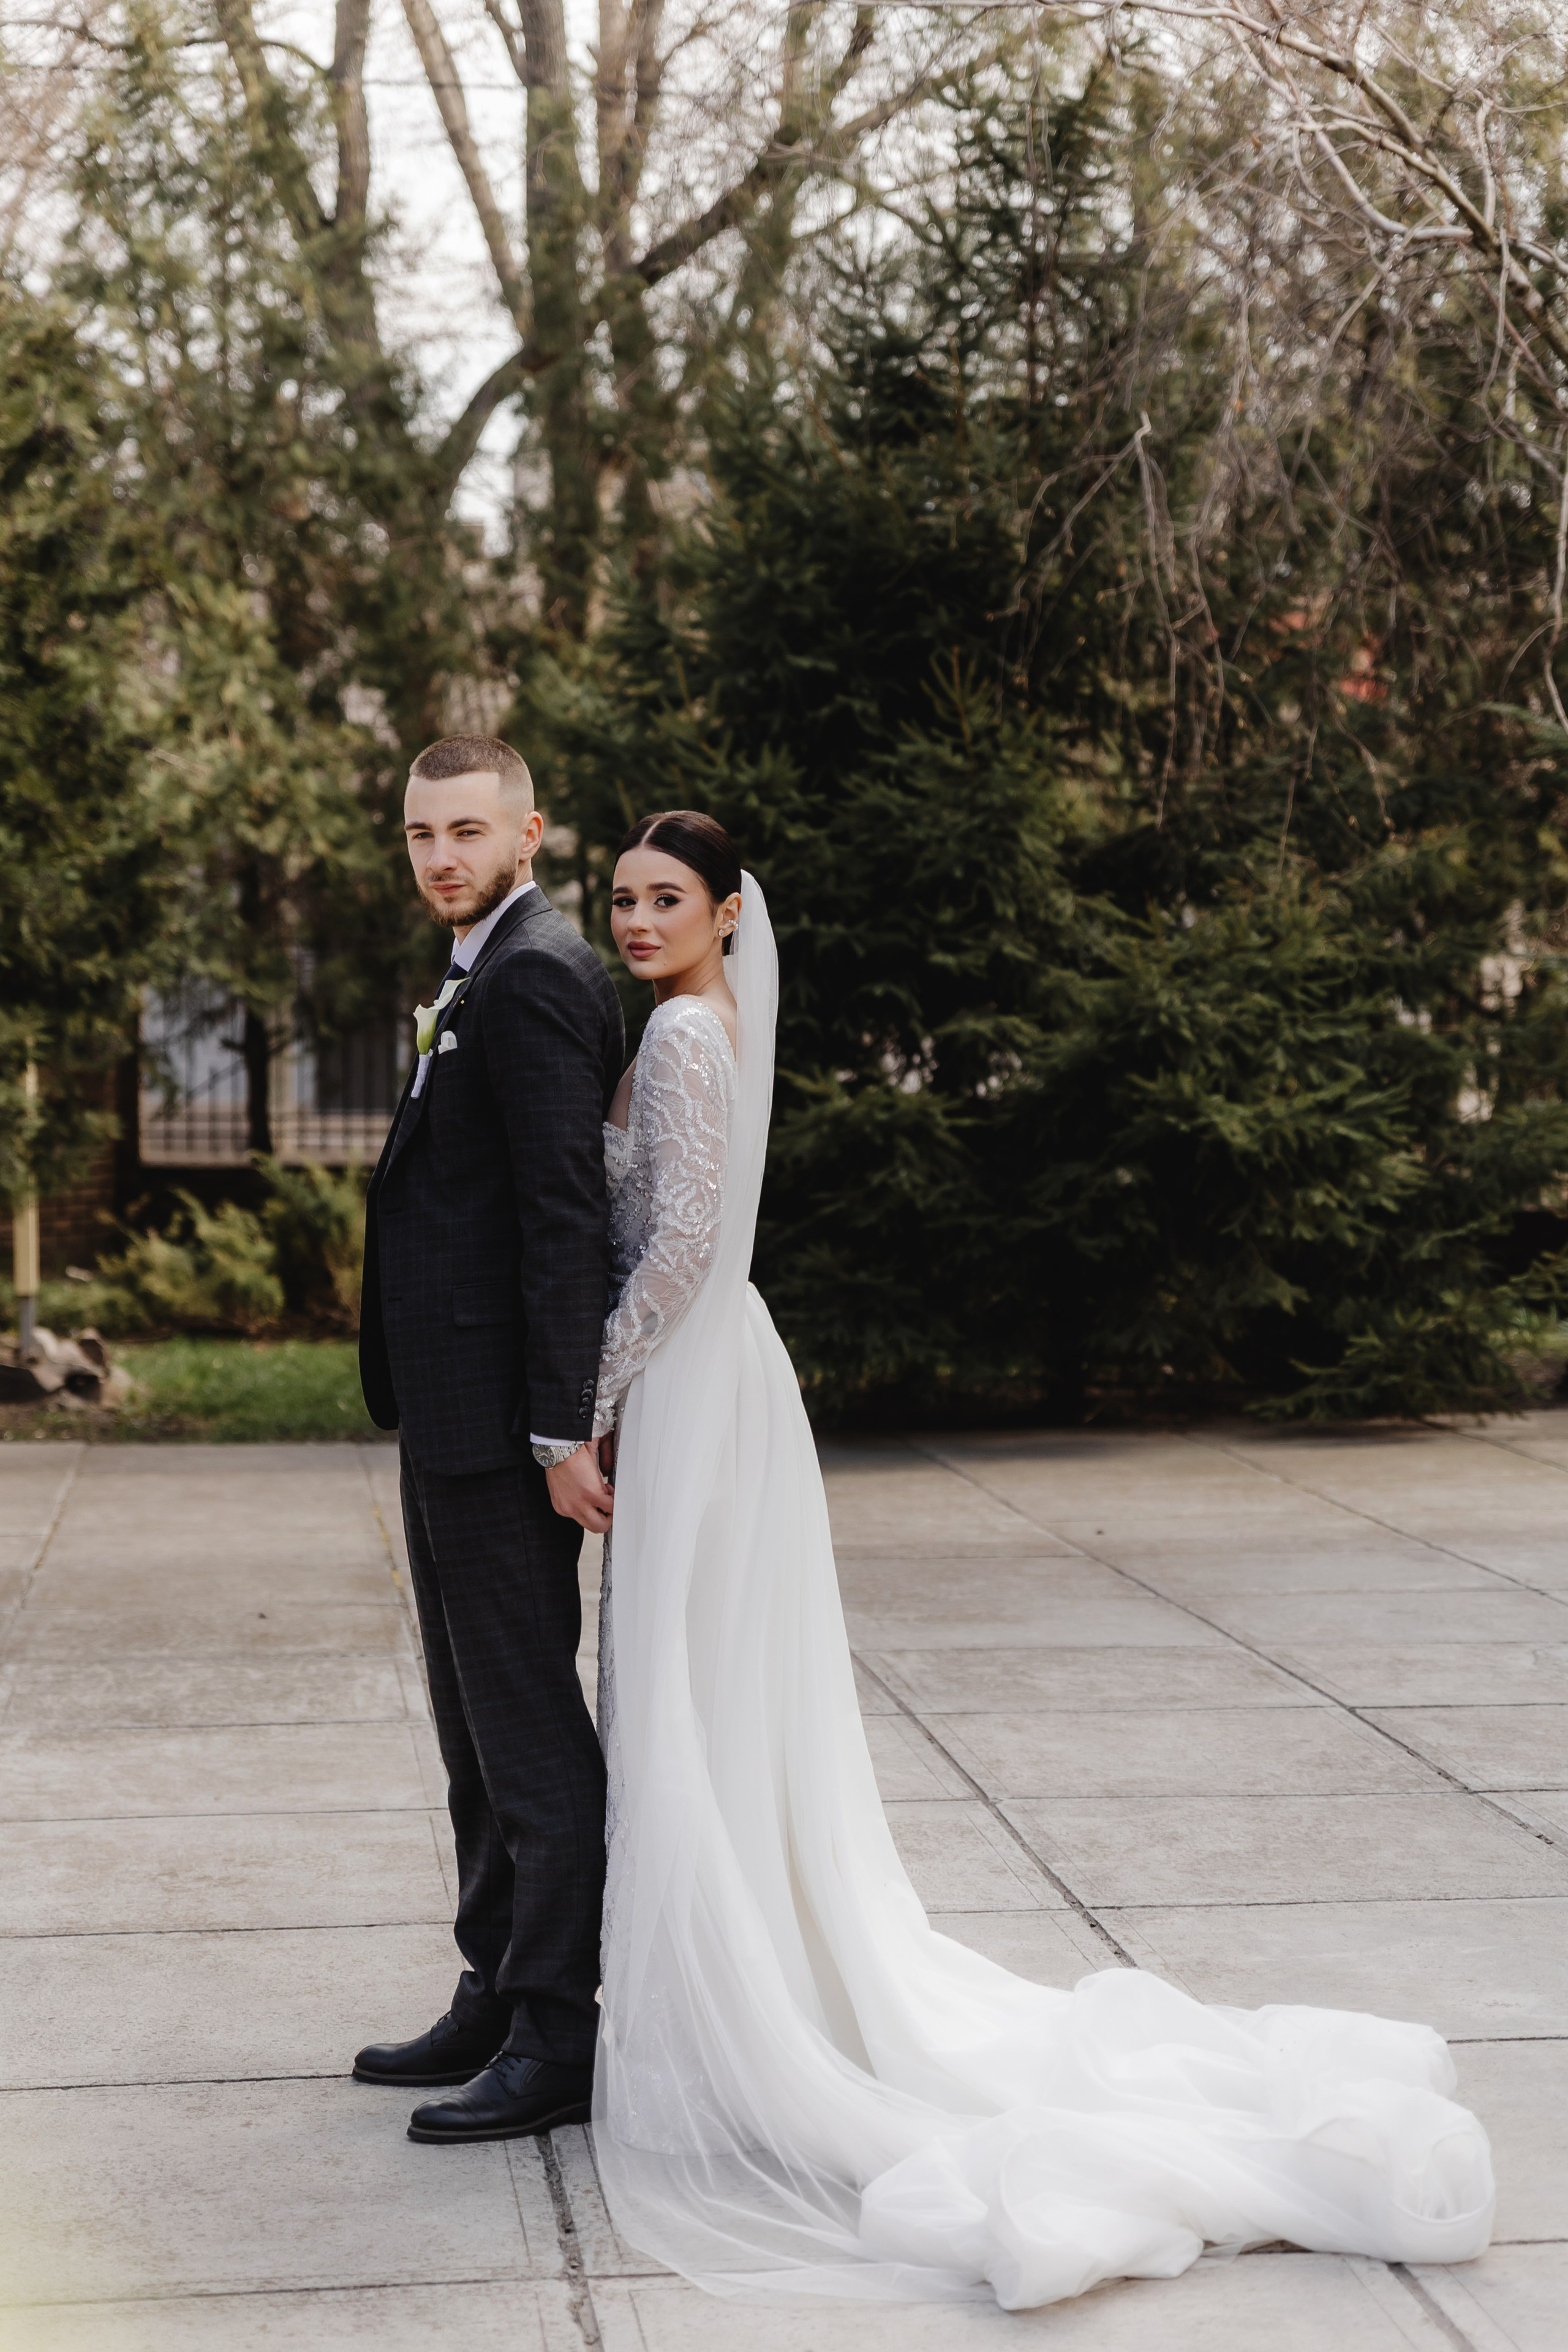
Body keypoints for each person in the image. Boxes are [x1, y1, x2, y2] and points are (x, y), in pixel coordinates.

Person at [586, 807, 1496, 2310]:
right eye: (620, 897)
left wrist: (588, 1392)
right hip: (725, 1373)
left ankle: (716, 2028)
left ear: (725, 910)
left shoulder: (684, 1037)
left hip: (686, 1377)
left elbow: (677, 1251)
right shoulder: (710, 1019)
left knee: (676, 1692)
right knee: (707, 1691)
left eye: (663, 897)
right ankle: (735, 1984)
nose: (634, 920)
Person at [353, 734, 622, 2145]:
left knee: (523, 1728)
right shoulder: (478, 967)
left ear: (528, 834)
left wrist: (559, 1426)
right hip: (446, 1410)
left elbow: (564, 1213)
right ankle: (494, 1984)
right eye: (420, 832)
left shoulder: (534, 977)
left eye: (466, 830)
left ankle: (558, 2030)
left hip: (506, 1425)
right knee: (468, 1726)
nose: (439, 855)